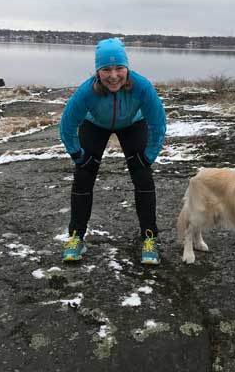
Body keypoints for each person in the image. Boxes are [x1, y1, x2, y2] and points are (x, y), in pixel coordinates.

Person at [59, 38, 167, 265]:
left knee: (142, 175)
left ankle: (149, 238)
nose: (114, 75)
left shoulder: (142, 87)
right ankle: (76, 237)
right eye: (106, 69)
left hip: (132, 125)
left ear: (127, 67)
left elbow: (158, 122)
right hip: (95, 125)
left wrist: (150, 155)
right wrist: (76, 154)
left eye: (119, 68)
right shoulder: (87, 91)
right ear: (98, 71)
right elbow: (67, 125)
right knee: (83, 177)